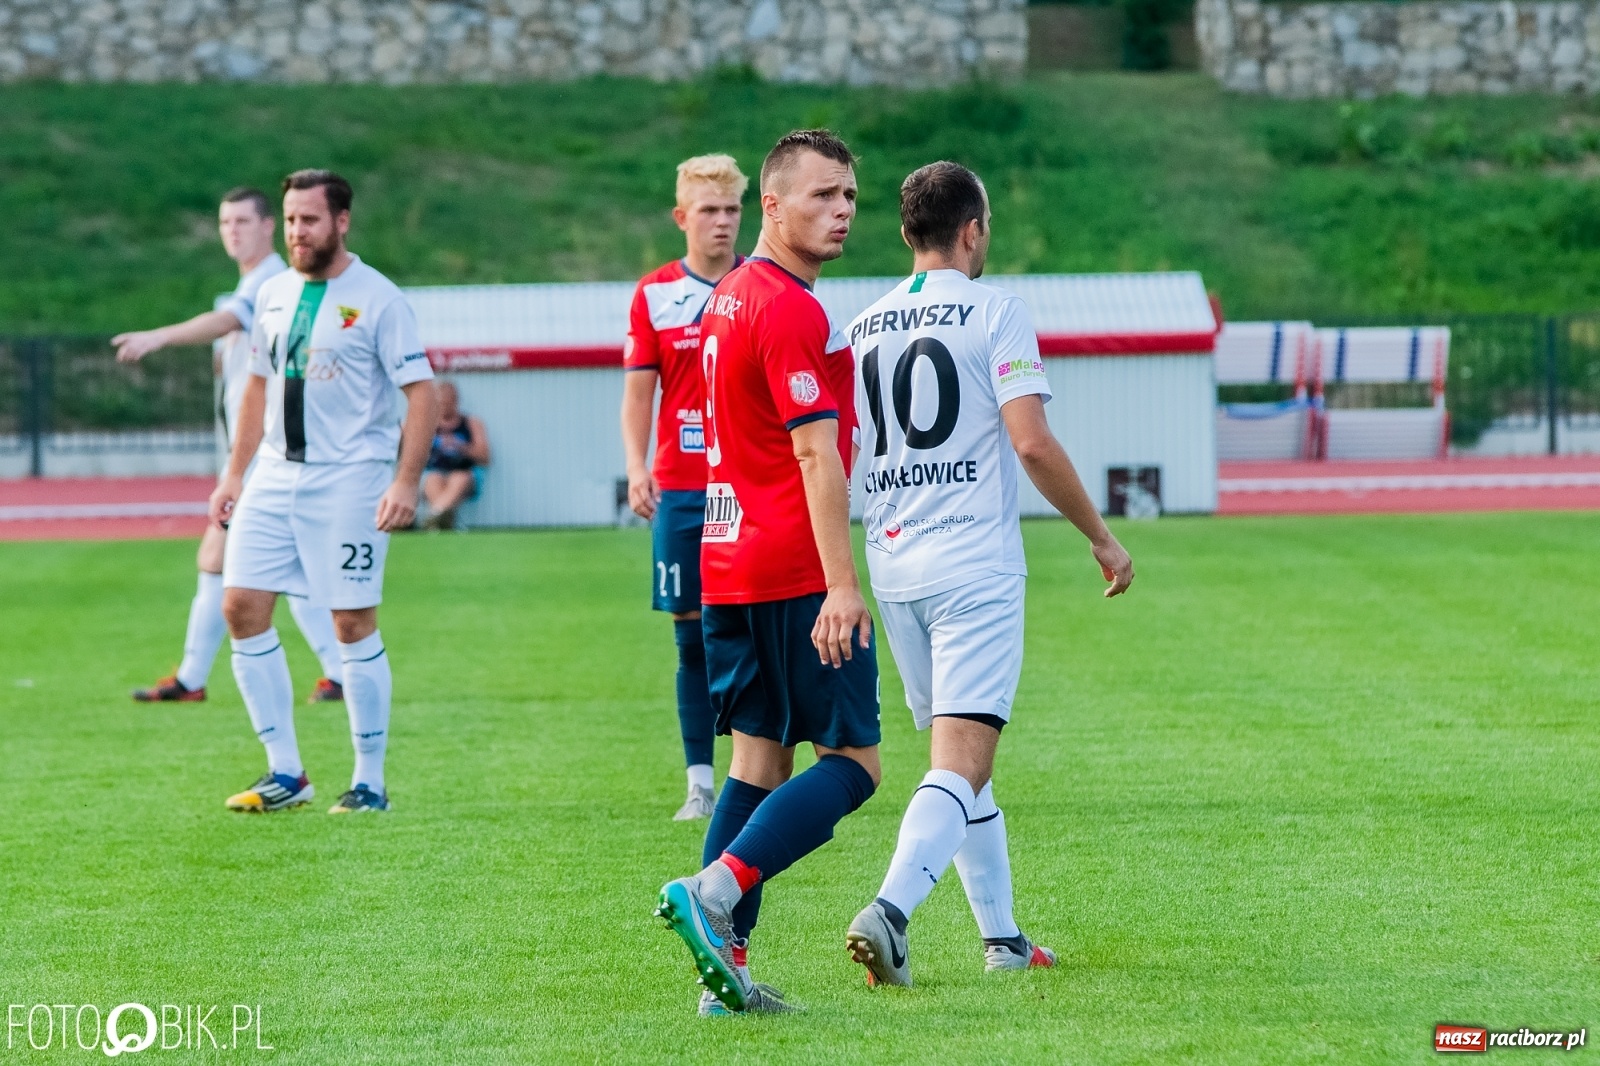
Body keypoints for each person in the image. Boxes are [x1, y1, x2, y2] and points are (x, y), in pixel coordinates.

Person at [841, 162, 1135, 988]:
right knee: (961, 761)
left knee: (965, 758)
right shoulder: (996, 310)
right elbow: (1031, 441)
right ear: (972, 232)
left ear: (907, 234)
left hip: (894, 561)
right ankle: (891, 912)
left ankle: (1004, 942)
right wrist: (1102, 538)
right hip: (971, 562)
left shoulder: (864, 326)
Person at [654, 130, 876, 1016]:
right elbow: (816, 457)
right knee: (856, 763)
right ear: (773, 207)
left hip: (727, 559)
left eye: (851, 196)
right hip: (790, 566)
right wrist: (843, 585)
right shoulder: (788, 307)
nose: (843, 211)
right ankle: (717, 887)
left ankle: (726, 974)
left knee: (756, 759)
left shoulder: (729, 297)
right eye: (823, 195)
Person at [208, 169, 439, 815]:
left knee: (350, 622)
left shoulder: (379, 298)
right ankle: (287, 773)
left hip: (350, 479)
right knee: (241, 607)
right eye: (289, 220)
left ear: (341, 222)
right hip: (275, 476)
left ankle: (369, 782)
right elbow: (256, 386)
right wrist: (235, 472)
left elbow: (422, 393)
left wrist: (404, 480)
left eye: (308, 220)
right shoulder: (276, 293)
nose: (296, 232)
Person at [118, 187, 345, 706]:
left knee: (243, 563)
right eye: (225, 223)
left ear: (269, 226)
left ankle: (330, 671)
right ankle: (200, 678)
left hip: (270, 452)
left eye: (243, 221)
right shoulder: (253, 284)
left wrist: (159, 337)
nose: (233, 231)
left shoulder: (270, 282)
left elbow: (230, 320)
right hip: (254, 453)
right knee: (234, 562)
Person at [620, 153, 746, 821]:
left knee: (755, 630)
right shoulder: (654, 294)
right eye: (709, 211)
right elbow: (638, 395)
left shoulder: (762, 285)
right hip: (682, 488)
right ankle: (701, 780)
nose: (723, 223)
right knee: (690, 634)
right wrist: (638, 468)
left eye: (731, 211)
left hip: (749, 488)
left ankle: (759, 771)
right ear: (681, 217)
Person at [421, 381, 491, 530]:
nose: (444, 406)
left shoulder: (471, 423)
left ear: (456, 401)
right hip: (435, 472)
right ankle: (442, 521)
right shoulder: (427, 425)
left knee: (459, 478)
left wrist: (460, 446)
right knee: (433, 479)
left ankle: (433, 516)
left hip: (466, 474)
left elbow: (485, 458)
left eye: (448, 402)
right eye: (441, 402)